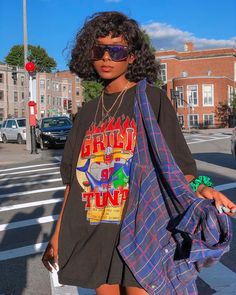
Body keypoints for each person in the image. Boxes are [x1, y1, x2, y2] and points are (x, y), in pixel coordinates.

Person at [42, 11, 236, 295]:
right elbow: (73, 183)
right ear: (89, 53)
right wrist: (57, 237)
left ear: (132, 57)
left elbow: (177, 165)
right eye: (100, 49)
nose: (107, 57)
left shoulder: (151, 100)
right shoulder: (86, 114)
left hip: (142, 228)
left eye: (117, 50)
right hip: (95, 232)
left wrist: (200, 190)